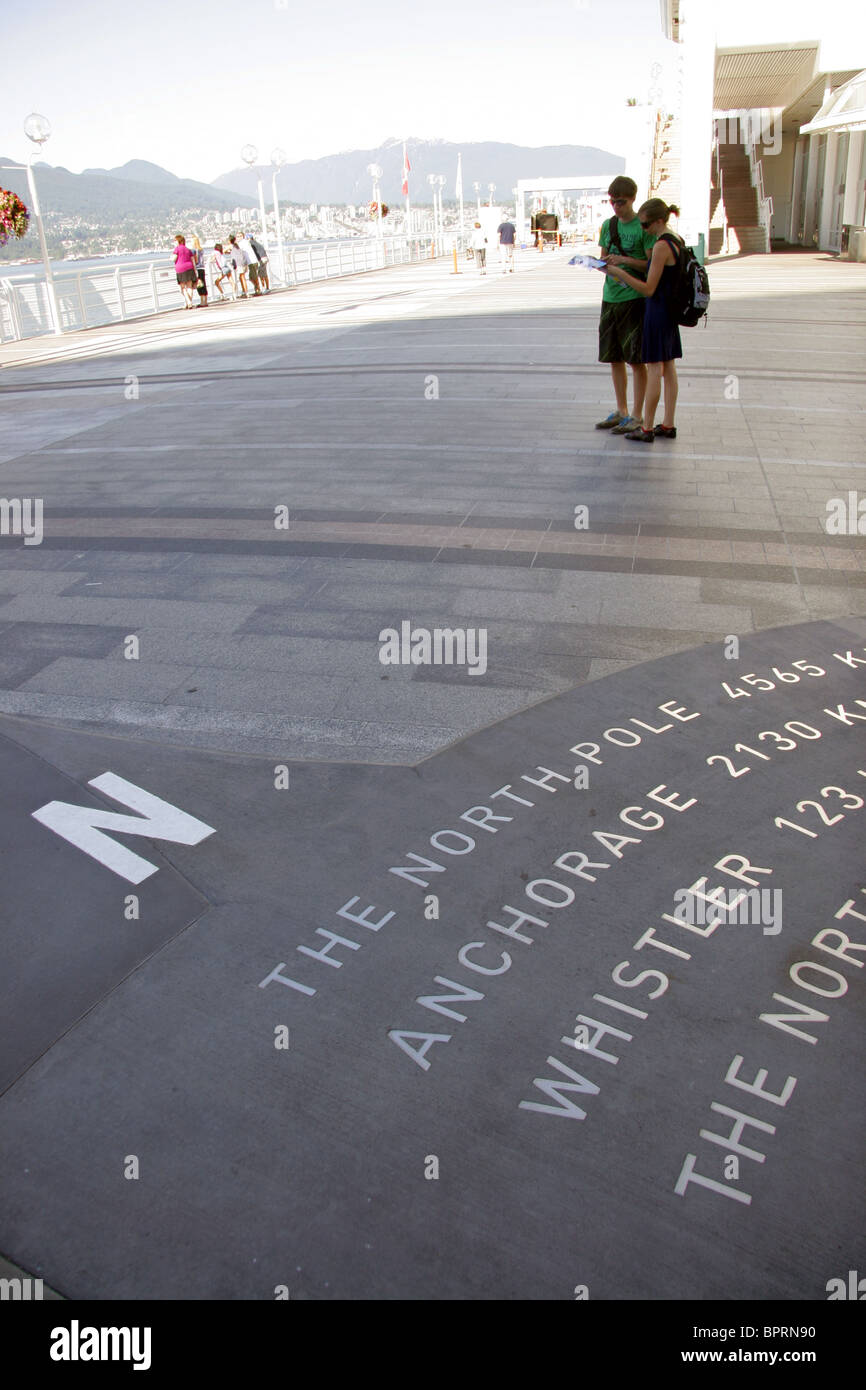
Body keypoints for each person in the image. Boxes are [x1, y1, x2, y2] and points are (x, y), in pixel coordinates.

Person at [603, 199, 682, 442]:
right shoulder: (676, 240)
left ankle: (646, 426)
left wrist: (619, 272)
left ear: (659, 221)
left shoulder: (661, 246)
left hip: (657, 311)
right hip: (670, 311)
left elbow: (648, 288)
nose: (643, 229)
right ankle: (667, 423)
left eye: (646, 225)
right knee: (668, 367)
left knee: (655, 367)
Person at [594, 176, 655, 435]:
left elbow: (651, 265)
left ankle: (637, 414)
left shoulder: (642, 228)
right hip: (611, 297)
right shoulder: (608, 226)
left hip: (634, 299)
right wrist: (601, 264)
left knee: (635, 359)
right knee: (614, 357)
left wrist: (625, 261)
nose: (616, 207)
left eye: (621, 202)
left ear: (632, 199)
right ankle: (621, 409)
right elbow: (602, 261)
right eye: (612, 202)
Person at [173, 234, 197, 309]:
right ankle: (189, 302)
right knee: (189, 286)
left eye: (175, 240)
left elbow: (174, 258)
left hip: (181, 269)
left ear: (178, 241)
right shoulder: (187, 249)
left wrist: (170, 258)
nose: (174, 242)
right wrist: (195, 270)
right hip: (190, 268)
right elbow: (193, 260)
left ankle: (189, 302)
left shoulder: (177, 249)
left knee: (182, 288)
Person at [190, 235, 208, 308]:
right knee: (203, 284)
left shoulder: (194, 250)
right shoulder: (201, 249)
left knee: (199, 285)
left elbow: (196, 260)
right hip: (202, 268)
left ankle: (202, 301)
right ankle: (205, 301)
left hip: (197, 268)